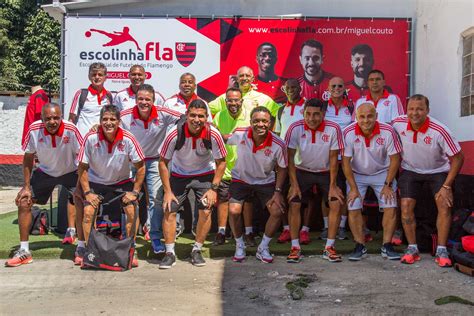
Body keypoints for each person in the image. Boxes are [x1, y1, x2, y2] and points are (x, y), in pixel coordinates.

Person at [5, 103, 83, 267]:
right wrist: (26, 186)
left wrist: (81, 185)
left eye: (56, 117)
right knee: (24, 201)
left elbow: (82, 156)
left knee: (83, 202)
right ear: (42, 119)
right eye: (48, 118)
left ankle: (82, 248)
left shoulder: (71, 129)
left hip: (70, 171)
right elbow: (28, 158)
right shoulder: (34, 129)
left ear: (61, 116)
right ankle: (24, 250)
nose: (53, 122)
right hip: (45, 172)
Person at [392, 94, 464, 267]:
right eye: (411, 109)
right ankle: (412, 248)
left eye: (419, 109)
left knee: (444, 205)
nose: (415, 113)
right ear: (406, 110)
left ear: (427, 111)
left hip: (438, 171)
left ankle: (441, 249)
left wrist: (446, 185)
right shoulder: (397, 123)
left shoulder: (439, 130)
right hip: (411, 169)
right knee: (406, 206)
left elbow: (459, 157)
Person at [158, 100, 227, 269]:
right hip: (179, 174)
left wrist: (213, 189)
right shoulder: (175, 133)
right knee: (169, 207)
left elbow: (221, 162)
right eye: (193, 115)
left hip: (204, 175)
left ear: (206, 118)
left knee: (206, 208)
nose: (197, 120)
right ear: (187, 115)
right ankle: (169, 252)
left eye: (201, 116)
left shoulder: (213, 133)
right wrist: (167, 191)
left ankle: (196, 249)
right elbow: (162, 162)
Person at [75, 105, 145, 267]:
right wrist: (87, 192)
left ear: (119, 121)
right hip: (96, 183)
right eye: (105, 119)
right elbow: (82, 168)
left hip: (121, 183)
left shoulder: (128, 138)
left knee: (132, 209)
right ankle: (89, 251)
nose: (108, 123)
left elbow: (141, 167)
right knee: (88, 212)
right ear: (100, 121)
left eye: (112, 119)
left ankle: (130, 249)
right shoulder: (91, 137)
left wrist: (134, 192)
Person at [120, 84, 181, 254]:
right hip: (132, 162)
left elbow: (183, 119)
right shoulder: (124, 116)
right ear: (135, 100)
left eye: (148, 99)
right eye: (140, 99)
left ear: (153, 101)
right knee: (127, 198)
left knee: (155, 199)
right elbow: (111, 128)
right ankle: (127, 239)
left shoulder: (162, 112)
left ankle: (154, 237)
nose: (144, 102)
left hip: (154, 161)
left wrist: (178, 141)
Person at [285, 99, 345, 263]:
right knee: (294, 202)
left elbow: (334, 159)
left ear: (323, 114)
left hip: (326, 172)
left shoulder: (334, 128)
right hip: (302, 171)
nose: (312, 118)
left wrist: (333, 186)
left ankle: (329, 247)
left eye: (316, 114)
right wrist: (293, 183)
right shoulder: (295, 127)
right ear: (303, 113)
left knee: (335, 202)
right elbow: (289, 157)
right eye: (308, 114)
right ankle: (295, 247)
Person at [227, 106, 288, 263]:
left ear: (270, 124)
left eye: (264, 121)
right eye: (256, 121)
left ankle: (263, 247)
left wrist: (278, 191)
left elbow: (282, 168)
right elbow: (223, 138)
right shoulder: (240, 134)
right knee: (234, 211)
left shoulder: (278, 144)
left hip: (265, 181)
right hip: (241, 179)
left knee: (277, 211)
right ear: (250, 122)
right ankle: (239, 245)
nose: (260, 124)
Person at [342, 103, 402, 261]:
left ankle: (387, 245)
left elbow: (395, 158)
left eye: (369, 116)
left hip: (382, 172)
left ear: (376, 116)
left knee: (390, 205)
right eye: (361, 116)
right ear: (356, 117)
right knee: (353, 206)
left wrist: (388, 185)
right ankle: (359, 245)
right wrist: (353, 188)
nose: (366, 120)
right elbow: (345, 163)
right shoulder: (348, 132)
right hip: (357, 174)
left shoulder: (387, 131)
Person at [211, 87, 252, 246]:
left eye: (236, 100)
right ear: (225, 101)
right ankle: (221, 232)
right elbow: (213, 138)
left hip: (245, 169)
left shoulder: (250, 115)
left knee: (247, 202)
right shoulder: (219, 116)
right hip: (225, 168)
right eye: (230, 100)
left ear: (241, 101)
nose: (233, 103)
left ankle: (248, 233)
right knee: (222, 200)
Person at [273, 79, 311, 245]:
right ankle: (287, 228)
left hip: (304, 159)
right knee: (282, 194)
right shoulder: (281, 110)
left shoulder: (307, 107)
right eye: (288, 88)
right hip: (284, 160)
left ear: (300, 88)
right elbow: (277, 134)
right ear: (284, 89)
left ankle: (304, 230)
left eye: (294, 87)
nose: (291, 91)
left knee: (308, 197)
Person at [321, 77, 354, 241]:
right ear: (328, 88)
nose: (337, 88)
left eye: (340, 86)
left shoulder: (351, 106)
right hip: (327, 156)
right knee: (326, 193)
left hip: (347, 156)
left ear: (345, 88)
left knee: (345, 192)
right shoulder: (323, 107)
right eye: (333, 86)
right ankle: (327, 227)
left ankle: (341, 227)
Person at [209, 66, 280, 118]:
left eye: (248, 76)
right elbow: (206, 109)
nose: (244, 78)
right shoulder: (226, 97)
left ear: (252, 79)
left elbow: (281, 113)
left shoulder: (263, 98)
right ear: (237, 79)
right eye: (241, 76)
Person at [68, 62, 113, 136]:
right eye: (94, 75)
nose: (97, 77)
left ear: (105, 77)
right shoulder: (81, 94)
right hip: (82, 140)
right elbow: (71, 119)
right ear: (89, 77)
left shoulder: (108, 96)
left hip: (101, 140)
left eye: (100, 75)